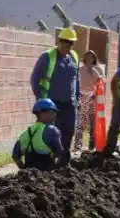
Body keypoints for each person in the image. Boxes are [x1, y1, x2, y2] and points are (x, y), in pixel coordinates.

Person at [31, 28, 81, 159]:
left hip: (70, 104)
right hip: (53, 105)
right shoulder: (47, 57)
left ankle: (64, 163)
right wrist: (42, 101)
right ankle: (49, 163)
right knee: (52, 134)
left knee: (69, 133)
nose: (67, 45)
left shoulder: (74, 57)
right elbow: (35, 79)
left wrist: (77, 98)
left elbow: (76, 79)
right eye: (64, 42)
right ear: (59, 41)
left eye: (70, 43)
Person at [12, 99, 68, 171]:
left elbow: (15, 156)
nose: (55, 115)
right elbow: (60, 153)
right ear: (44, 113)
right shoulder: (53, 130)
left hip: (29, 172)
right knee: (66, 154)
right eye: (53, 112)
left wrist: (23, 169)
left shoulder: (25, 133)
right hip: (47, 172)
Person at [73, 49, 105, 153]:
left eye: (92, 57)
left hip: (91, 98)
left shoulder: (95, 71)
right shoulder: (80, 69)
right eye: (88, 56)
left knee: (92, 122)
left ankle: (92, 145)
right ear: (85, 58)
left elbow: (99, 84)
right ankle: (78, 145)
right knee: (80, 122)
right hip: (81, 97)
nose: (90, 59)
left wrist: (95, 96)